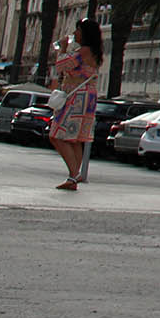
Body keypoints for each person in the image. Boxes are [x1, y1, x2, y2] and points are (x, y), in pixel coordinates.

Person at [48, 19, 103, 190]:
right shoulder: (92, 51)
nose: (74, 33)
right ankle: (73, 177)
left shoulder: (85, 51)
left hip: (77, 97)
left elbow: (61, 65)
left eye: (78, 30)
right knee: (75, 139)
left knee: (57, 135)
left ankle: (74, 174)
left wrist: (63, 47)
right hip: (84, 96)